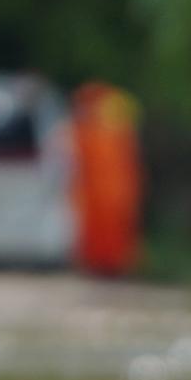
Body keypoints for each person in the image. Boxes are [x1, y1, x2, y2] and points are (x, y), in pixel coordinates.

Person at [70, 82, 144, 277]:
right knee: (94, 234)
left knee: (117, 233)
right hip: (93, 195)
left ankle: (117, 266)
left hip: (114, 193)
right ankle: (97, 266)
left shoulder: (116, 134)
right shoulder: (83, 132)